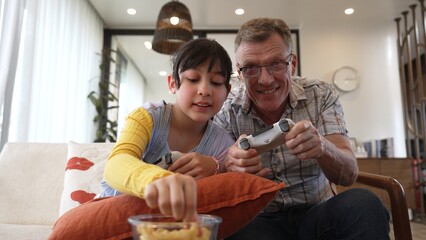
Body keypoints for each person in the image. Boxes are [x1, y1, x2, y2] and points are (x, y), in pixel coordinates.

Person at [214, 18, 390, 239]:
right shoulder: (226, 108)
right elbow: (213, 175)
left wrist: (323, 148)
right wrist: (228, 166)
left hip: (317, 214)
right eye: (250, 68)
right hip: (258, 219)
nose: (265, 80)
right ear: (240, 73)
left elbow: (349, 174)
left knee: (364, 203)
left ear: (293, 64)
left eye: (276, 63)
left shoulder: (320, 94)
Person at [99, 38, 234, 222]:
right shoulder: (148, 117)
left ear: (227, 91)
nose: (204, 90)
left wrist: (217, 167)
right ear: (172, 84)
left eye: (216, 82)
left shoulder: (223, 144)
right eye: (193, 79)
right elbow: (116, 164)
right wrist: (158, 180)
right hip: (114, 216)